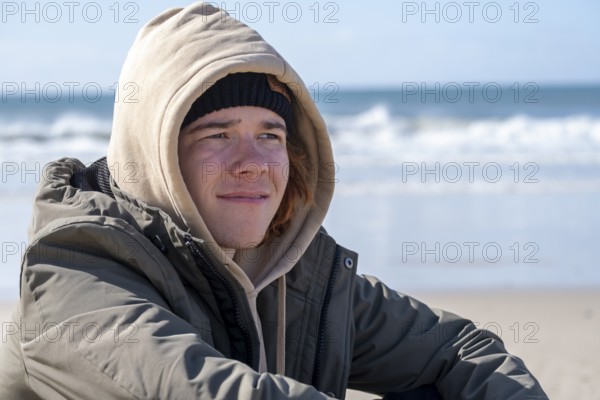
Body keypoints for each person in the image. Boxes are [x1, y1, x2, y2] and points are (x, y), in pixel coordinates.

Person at [0, 3, 548, 399]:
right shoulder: (75, 276)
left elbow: (461, 350)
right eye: (216, 134)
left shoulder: (293, 272)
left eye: (271, 134)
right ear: (156, 152)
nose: (254, 162)